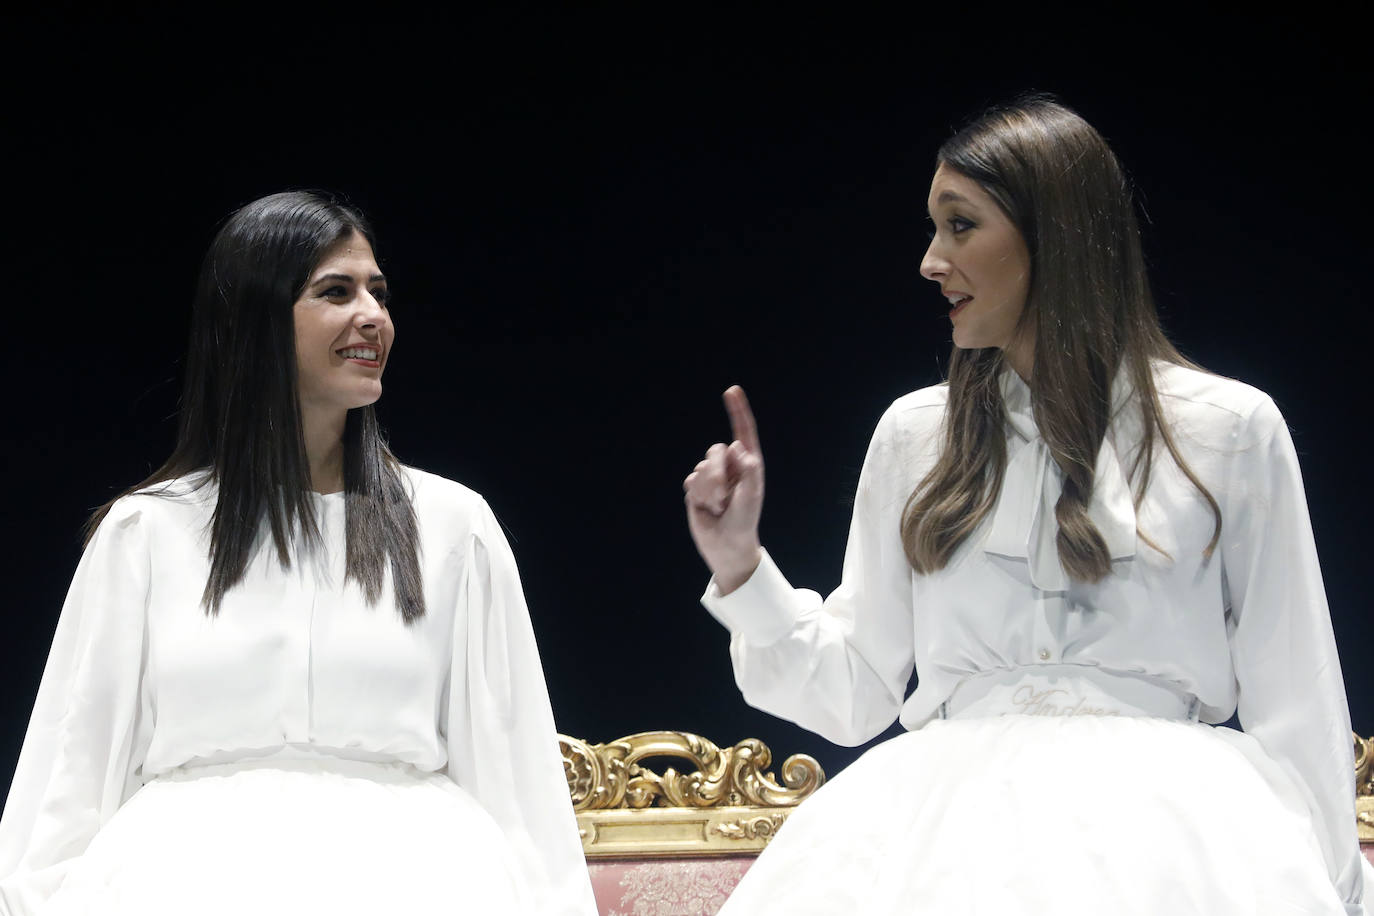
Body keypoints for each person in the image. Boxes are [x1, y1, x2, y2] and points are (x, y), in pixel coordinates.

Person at [683, 96, 1370, 915]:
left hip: (1174, 844)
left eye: (961, 225)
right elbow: (854, 692)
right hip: (943, 845)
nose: (931, 261)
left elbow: (1298, 699)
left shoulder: (1227, 430)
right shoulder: (916, 434)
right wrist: (740, 567)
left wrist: (1334, 888)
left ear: (1055, 236)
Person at [0, 191, 597, 916]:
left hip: (419, 880)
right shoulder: (147, 534)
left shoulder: (451, 525)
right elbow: (67, 782)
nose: (372, 317)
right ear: (254, 320)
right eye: (336, 292)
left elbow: (517, 779)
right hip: (179, 881)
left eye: (378, 293)